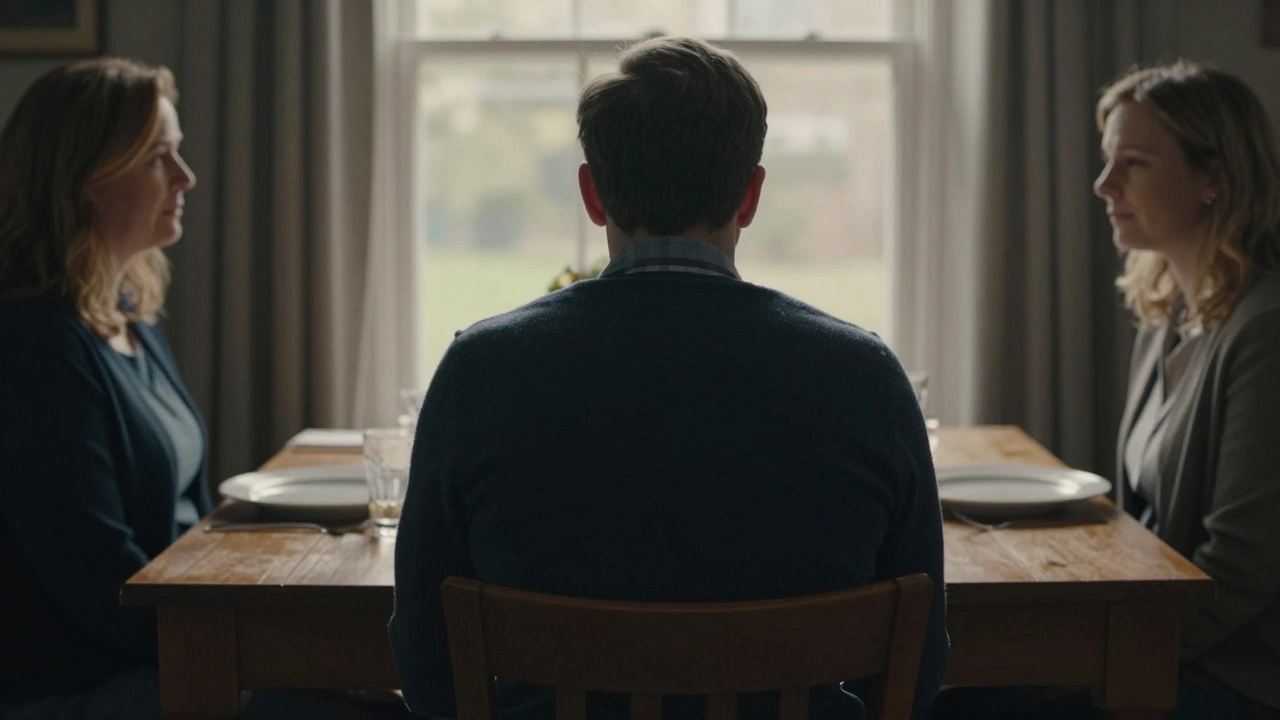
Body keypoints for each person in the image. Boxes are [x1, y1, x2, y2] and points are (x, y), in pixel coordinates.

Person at [390, 36, 949, 720]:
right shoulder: (866, 380)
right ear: (750, 195)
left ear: (592, 194)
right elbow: (915, 668)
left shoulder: (477, 374)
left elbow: (423, 664)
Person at [930, 61, 1280, 720]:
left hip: (1234, 677)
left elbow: (1239, 572)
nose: (1102, 184)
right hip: (1159, 644)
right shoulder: (1170, 309)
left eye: (1134, 163)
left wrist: (1102, 658)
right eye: (1107, 160)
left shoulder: (1264, 332)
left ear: (1213, 179)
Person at [0, 58, 206, 718]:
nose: (185, 178)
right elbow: (98, 581)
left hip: (157, 647)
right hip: (80, 680)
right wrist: (241, 648)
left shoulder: (126, 314)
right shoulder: (35, 342)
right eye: (158, 158)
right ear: (84, 176)